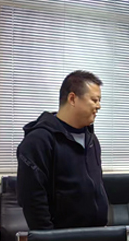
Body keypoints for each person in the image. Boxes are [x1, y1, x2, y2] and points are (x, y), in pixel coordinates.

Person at [17, 70, 108, 230]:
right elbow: (33, 201)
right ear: (72, 99)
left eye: (99, 100)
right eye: (94, 100)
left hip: (96, 235)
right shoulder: (39, 141)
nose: (98, 106)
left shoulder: (91, 139)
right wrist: (49, 239)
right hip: (61, 239)